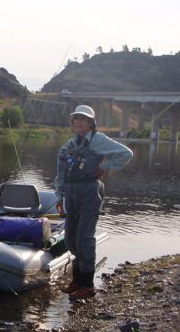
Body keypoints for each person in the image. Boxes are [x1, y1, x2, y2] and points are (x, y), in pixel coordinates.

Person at [53, 105, 132, 300]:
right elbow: (60, 173)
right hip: (71, 193)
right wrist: (59, 196)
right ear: (73, 123)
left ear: (90, 123)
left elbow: (125, 153)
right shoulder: (68, 145)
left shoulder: (98, 140)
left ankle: (87, 285)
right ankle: (77, 281)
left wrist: (105, 166)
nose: (79, 122)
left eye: (83, 119)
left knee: (84, 238)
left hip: (89, 191)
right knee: (71, 239)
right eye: (76, 119)